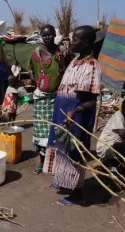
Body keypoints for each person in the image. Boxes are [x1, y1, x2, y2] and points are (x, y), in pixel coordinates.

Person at [45, 26, 101, 205]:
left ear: (85, 42)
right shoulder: (76, 60)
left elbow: (92, 100)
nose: (71, 42)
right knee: (61, 148)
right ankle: (64, 182)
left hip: (76, 120)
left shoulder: (92, 66)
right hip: (63, 116)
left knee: (74, 153)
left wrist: (75, 112)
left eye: (75, 39)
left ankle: (77, 194)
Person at [29, 24, 70, 174]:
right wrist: (36, 82)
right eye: (44, 35)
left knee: (55, 130)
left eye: (49, 34)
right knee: (41, 131)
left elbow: (65, 71)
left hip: (56, 97)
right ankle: (41, 161)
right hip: (41, 98)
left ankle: (54, 161)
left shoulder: (61, 53)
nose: (47, 37)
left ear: (54, 35)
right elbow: (31, 69)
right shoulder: (36, 53)